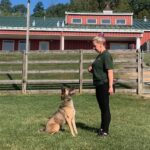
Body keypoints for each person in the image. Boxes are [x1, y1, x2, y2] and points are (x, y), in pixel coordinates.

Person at [88, 34, 114, 137]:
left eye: (94, 45)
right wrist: (91, 69)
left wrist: (111, 86)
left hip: (104, 84)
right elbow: (99, 69)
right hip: (98, 84)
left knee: (105, 108)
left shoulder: (106, 55)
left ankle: (105, 130)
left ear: (100, 44)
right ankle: (102, 128)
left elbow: (110, 71)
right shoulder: (100, 56)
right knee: (102, 108)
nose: (93, 48)